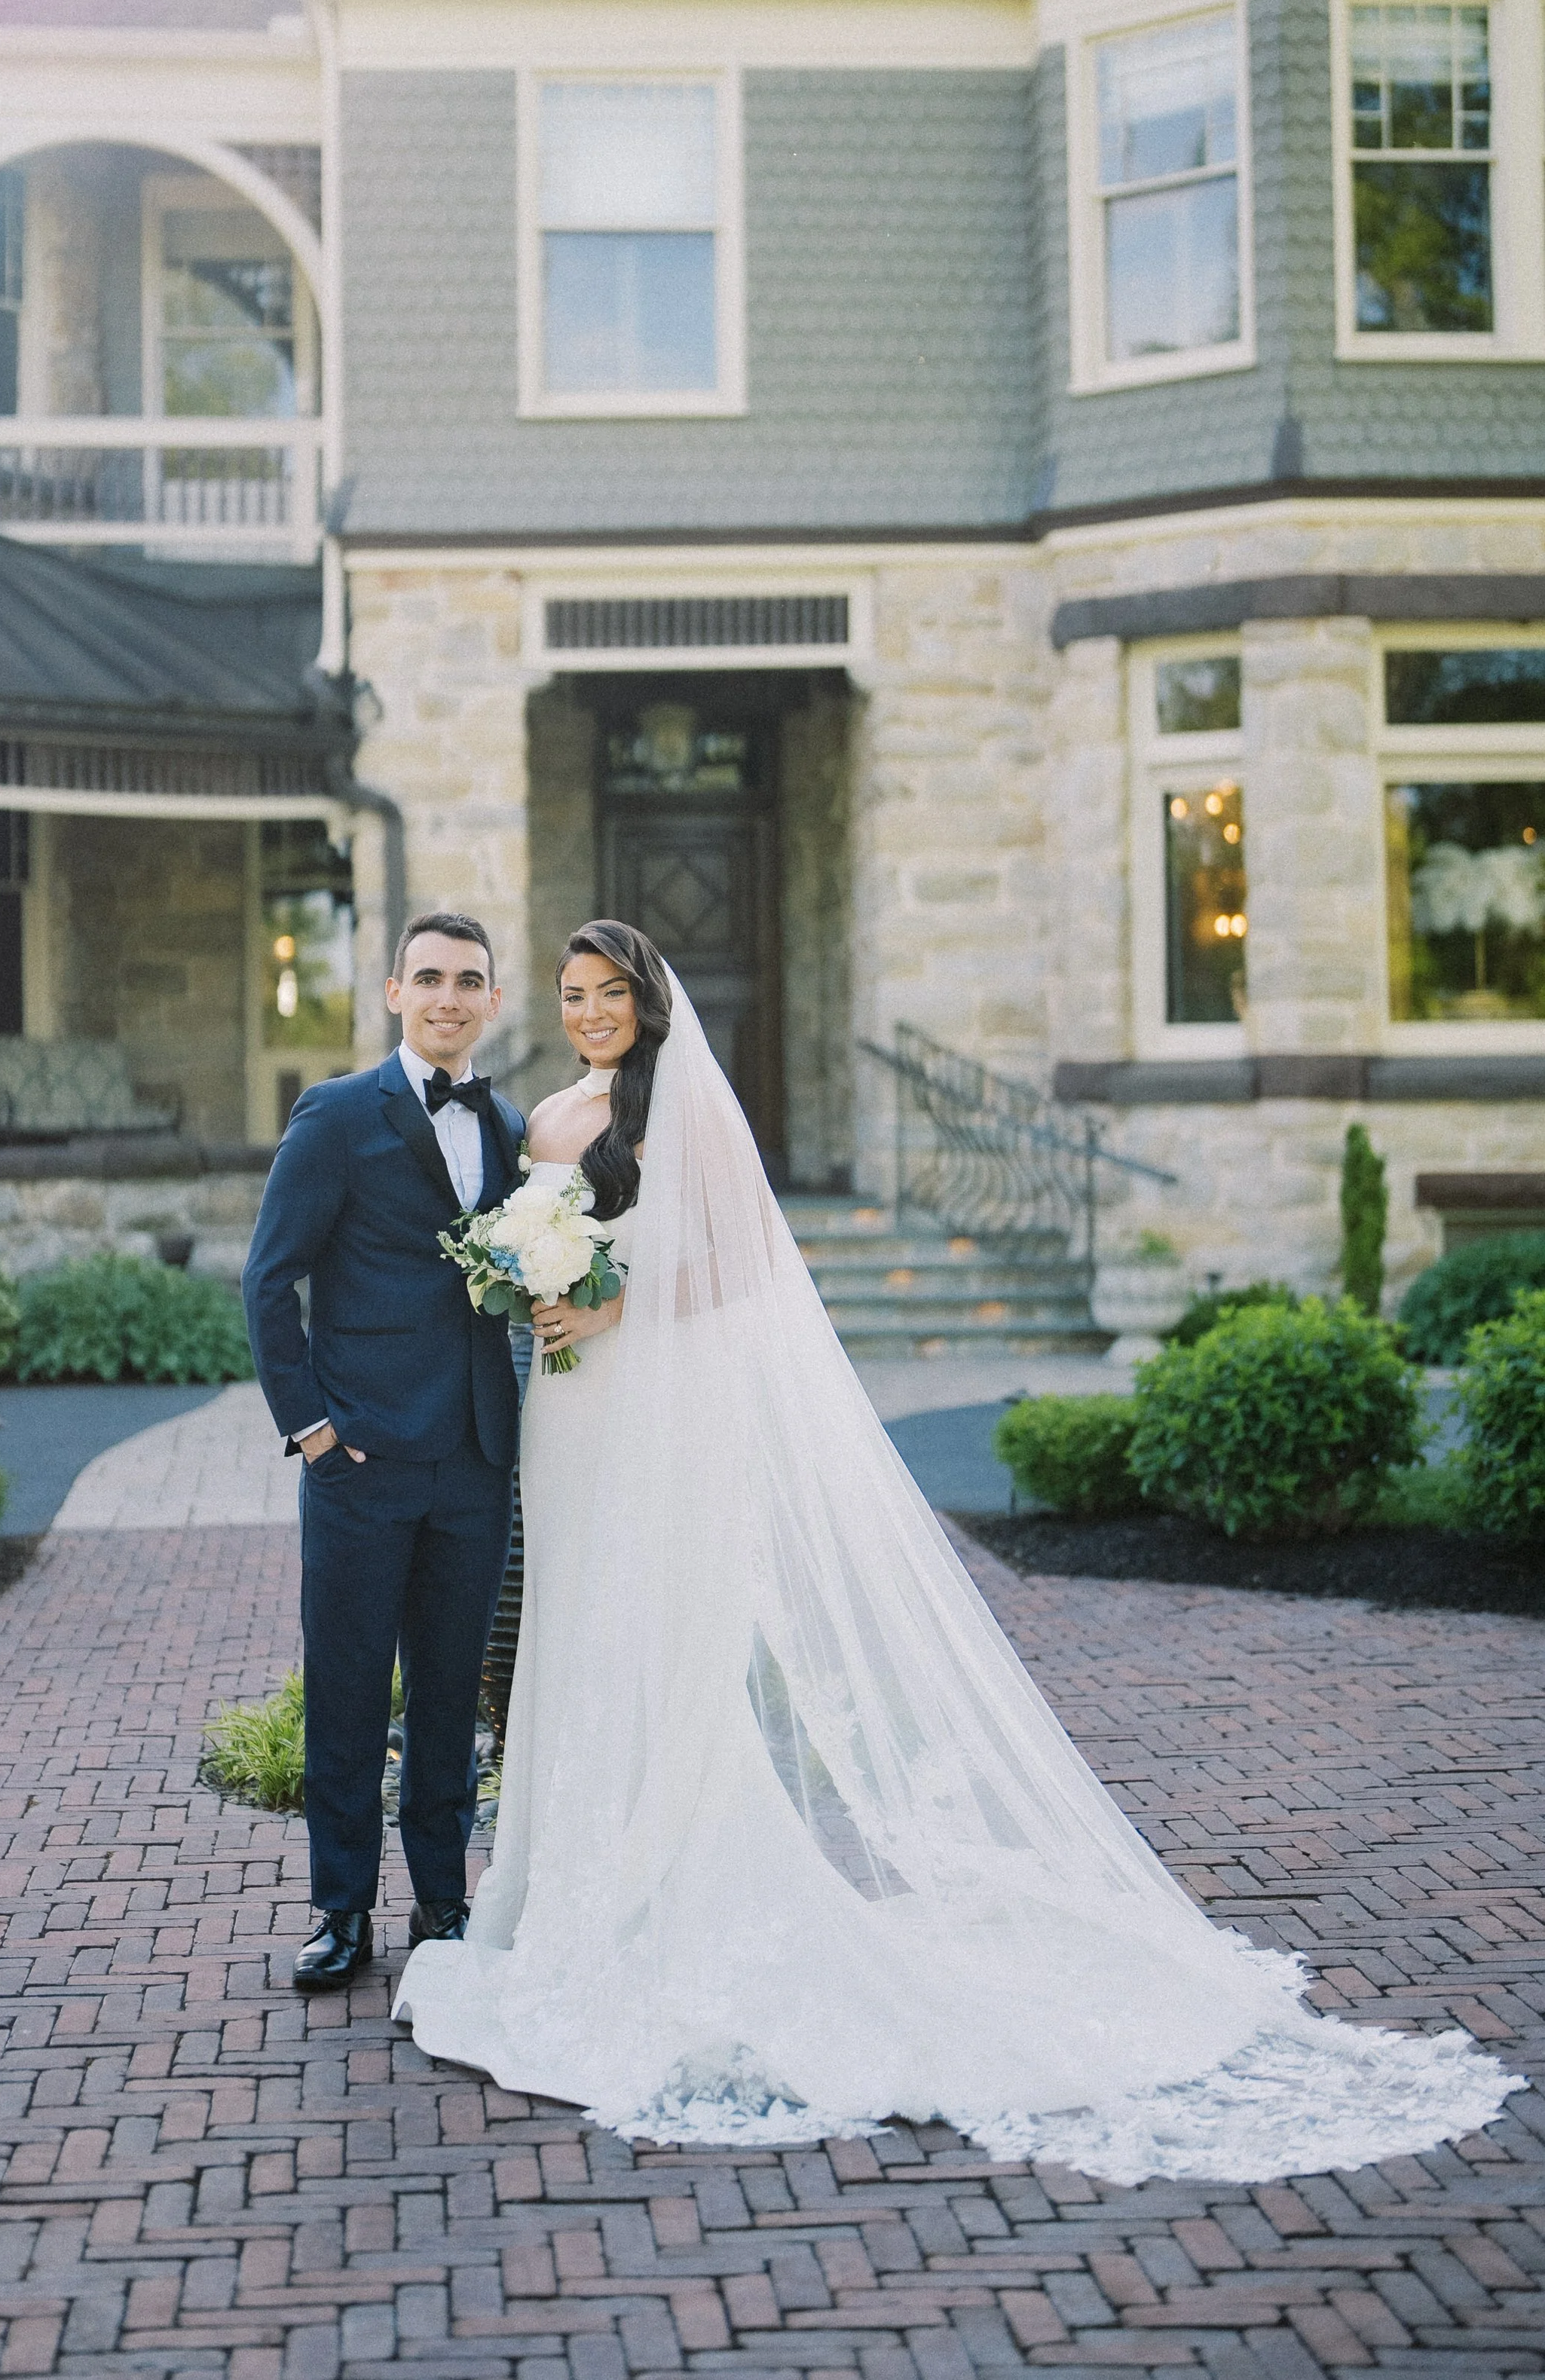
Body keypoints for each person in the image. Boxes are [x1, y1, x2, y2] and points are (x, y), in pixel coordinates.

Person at [396, 919, 1522, 2183]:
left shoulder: (692, 1114)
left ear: (651, 1005)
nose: (592, 1009)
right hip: (571, 1418)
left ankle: (672, 1886)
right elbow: (520, 1246)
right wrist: (533, 1281)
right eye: (574, 994)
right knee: (581, 1633)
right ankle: (568, 1895)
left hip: (656, 1410)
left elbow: (746, 1268)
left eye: (612, 993)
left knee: (669, 1637)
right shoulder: (546, 1118)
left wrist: (607, 1295)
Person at [243, 912, 527, 1994]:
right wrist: (313, 1427)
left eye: (469, 979)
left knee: (453, 1696)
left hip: (471, 1456)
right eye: (429, 978)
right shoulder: (335, 1117)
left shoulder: (504, 1126)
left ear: (492, 1001)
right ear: (393, 992)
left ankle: (443, 1905)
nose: (449, 996)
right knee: (353, 1687)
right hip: (358, 1459)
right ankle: (340, 1909)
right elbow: (270, 1279)